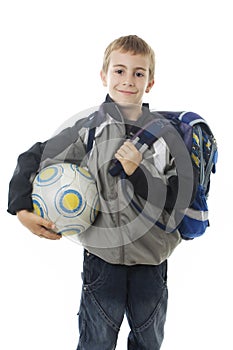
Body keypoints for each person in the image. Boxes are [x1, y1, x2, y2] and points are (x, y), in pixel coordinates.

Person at [8, 35, 195, 349]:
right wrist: (21, 206)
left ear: (150, 82)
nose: (128, 80)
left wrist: (139, 173)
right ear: (104, 75)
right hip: (101, 260)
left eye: (139, 73)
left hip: (151, 261)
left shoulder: (166, 136)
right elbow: (35, 156)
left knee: (148, 341)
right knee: (96, 340)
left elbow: (178, 197)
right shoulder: (88, 129)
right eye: (119, 71)